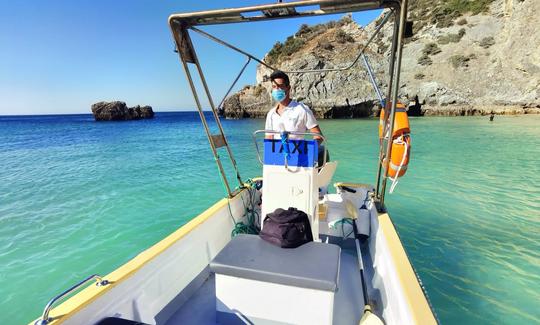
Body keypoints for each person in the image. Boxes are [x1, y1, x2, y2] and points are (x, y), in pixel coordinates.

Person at [264, 70, 328, 166]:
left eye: (280, 86)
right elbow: (269, 140)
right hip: (277, 162)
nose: (277, 90)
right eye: (274, 87)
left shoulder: (302, 109)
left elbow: (319, 136)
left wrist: (306, 153)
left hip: (299, 161)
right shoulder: (271, 114)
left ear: (288, 88)